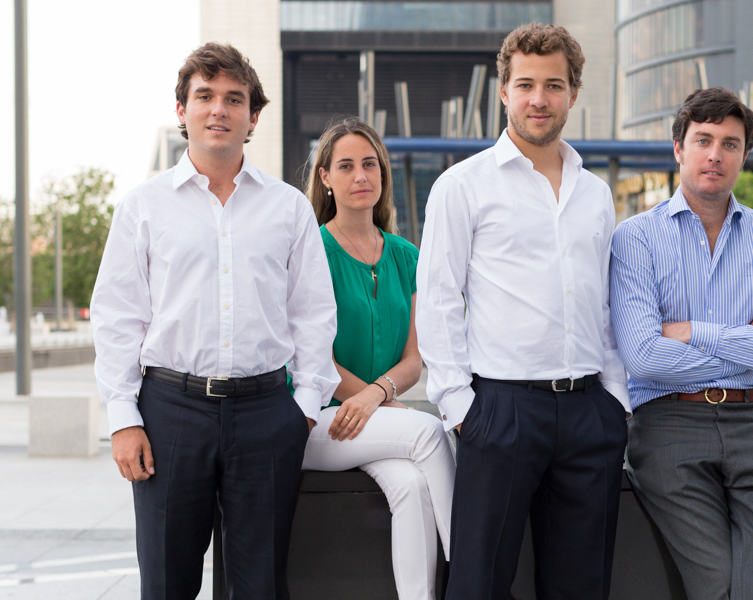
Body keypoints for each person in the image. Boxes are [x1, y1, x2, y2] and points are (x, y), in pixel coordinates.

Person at [90, 42, 339, 600]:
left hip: (266, 415)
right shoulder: (143, 206)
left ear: (253, 116)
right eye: (204, 96)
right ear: (182, 110)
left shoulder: (288, 207)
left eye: (234, 98)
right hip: (169, 414)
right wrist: (123, 418)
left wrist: (303, 409)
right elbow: (116, 317)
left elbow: (313, 314)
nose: (218, 109)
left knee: (261, 585)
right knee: (166, 583)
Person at [416, 23, 631, 600]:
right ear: (504, 91)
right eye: (526, 85)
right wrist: (461, 407)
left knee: (582, 586)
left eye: (554, 85)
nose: (540, 99)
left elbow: (603, 301)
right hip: (501, 412)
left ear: (573, 94)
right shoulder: (462, 186)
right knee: (479, 584)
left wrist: (615, 399)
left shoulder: (595, 193)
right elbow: (437, 298)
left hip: (589, 412)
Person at [609, 87, 753, 600]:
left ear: (744, 156)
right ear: (678, 149)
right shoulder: (635, 238)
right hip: (668, 425)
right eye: (703, 140)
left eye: (730, 144)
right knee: (717, 584)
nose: (715, 155)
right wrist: (750, 341)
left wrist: (694, 331)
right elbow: (643, 356)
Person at [301, 118, 455, 600]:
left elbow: (414, 358)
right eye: (346, 166)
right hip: (318, 420)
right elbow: (313, 358)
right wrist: (373, 399)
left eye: (370, 164)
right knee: (429, 432)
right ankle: (472, 576)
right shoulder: (311, 251)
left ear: (383, 174)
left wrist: (376, 396)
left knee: (411, 485)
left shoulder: (407, 256)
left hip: (376, 416)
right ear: (325, 177)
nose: (360, 176)